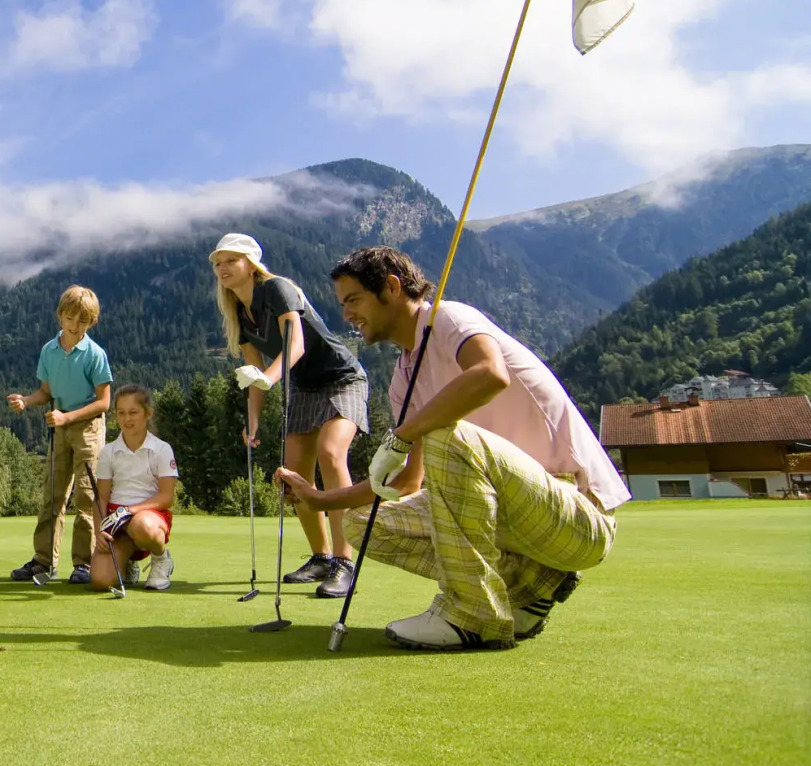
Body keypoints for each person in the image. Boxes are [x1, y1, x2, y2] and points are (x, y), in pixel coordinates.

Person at [277, 246, 630, 650]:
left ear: (391, 287)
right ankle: (529, 587)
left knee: (447, 433)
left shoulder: (449, 318)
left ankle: (471, 614)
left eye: (354, 300)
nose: (347, 315)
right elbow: (407, 482)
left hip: (578, 515)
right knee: (362, 521)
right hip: (519, 519)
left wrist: (407, 432)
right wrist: (322, 499)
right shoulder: (403, 378)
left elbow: (490, 375)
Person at [210, 233, 370, 598]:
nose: (222, 268)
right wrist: (252, 422)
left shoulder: (277, 289)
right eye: (218, 262)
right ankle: (321, 557)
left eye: (230, 260)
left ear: (250, 264)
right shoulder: (238, 310)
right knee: (293, 473)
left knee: (331, 454)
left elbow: (294, 344)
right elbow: (253, 373)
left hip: (342, 378)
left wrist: (269, 378)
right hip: (303, 386)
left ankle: (345, 563)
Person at [6, 285, 113, 584]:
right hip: (60, 429)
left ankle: (84, 564)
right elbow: (46, 392)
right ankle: (44, 562)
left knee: (86, 497)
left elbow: (104, 402)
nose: (74, 325)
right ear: (60, 316)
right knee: (52, 496)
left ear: (91, 322)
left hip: (89, 430)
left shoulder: (95, 354)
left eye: (82, 321)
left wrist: (68, 416)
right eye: (69, 318)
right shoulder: (49, 351)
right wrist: (27, 401)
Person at [91, 384, 178, 592]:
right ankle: (127, 561)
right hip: (116, 523)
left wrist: (130, 511)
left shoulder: (162, 449)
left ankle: (161, 558)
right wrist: (99, 531)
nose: (126, 419)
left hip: (149, 517)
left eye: (133, 412)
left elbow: (167, 497)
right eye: (121, 413)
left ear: (148, 414)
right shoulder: (108, 452)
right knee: (100, 581)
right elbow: (101, 497)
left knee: (142, 525)